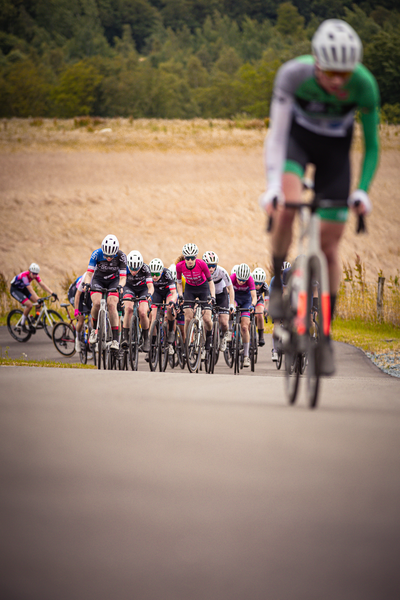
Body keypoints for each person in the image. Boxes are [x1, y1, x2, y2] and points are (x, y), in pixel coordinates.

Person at [259, 19, 380, 375]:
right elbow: (277, 135)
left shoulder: (365, 84)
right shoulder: (292, 76)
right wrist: (272, 186)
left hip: (335, 155)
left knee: (329, 247)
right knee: (286, 210)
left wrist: (361, 191)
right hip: (297, 144)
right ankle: (279, 288)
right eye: (330, 72)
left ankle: (324, 335)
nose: (338, 81)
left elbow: (371, 146)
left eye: (344, 72)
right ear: (315, 62)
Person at [84, 234, 127, 351]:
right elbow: (89, 274)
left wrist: (120, 286)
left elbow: (123, 278)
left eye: (111, 255)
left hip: (114, 281)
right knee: (97, 303)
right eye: (107, 255)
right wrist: (87, 284)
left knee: (112, 305)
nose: (109, 258)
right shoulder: (96, 254)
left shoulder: (122, 256)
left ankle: (114, 340)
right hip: (98, 280)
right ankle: (93, 330)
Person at [175, 243, 215, 354]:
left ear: (196, 257)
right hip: (190, 289)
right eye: (188, 258)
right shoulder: (179, 266)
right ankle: (188, 341)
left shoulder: (202, 264)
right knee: (187, 317)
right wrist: (180, 295)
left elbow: (210, 282)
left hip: (203, 288)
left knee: (207, 318)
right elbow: (178, 283)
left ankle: (209, 336)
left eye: (192, 258)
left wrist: (213, 296)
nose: (190, 260)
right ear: (185, 258)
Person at [120, 250, 154, 353]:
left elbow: (151, 286)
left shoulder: (145, 268)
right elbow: (120, 282)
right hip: (129, 288)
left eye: (136, 269)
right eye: (132, 269)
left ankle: (146, 339)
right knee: (129, 308)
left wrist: (149, 294)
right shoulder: (124, 267)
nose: (134, 272)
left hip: (143, 289)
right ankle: (125, 337)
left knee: (143, 312)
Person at [10, 263, 58, 332]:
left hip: (23, 288)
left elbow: (42, 284)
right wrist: (37, 298)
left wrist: (52, 293)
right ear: (29, 271)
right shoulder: (24, 276)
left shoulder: (35, 275)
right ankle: (22, 324)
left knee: (38, 303)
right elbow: (30, 290)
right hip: (15, 290)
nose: (35, 275)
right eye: (33, 274)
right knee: (29, 305)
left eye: (36, 274)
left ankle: (37, 319)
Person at [202, 250, 235, 352]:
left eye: (213, 265)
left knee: (224, 322)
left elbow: (231, 288)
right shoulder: (202, 272)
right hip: (208, 295)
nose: (211, 268)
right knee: (205, 320)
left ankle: (223, 337)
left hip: (221, 294)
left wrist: (231, 304)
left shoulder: (222, 271)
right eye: (208, 266)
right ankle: (203, 343)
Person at [230, 263, 257, 368]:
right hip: (235, 299)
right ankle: (229, 329)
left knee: (245, 327)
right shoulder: (232, 277)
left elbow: (254, 296)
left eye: (243, 281)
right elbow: (227, 291)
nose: (241, 282)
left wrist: (252, 305)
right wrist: (231, 304)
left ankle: (246, 356)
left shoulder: (250, 279)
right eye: (239, 280)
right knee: (229, 310)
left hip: (246, 301)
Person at [149, 258, 177, 344]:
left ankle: (171, 330)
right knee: (153, 318)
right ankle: (152, 344)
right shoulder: (148, 275)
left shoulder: (167, 273)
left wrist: (172, 301)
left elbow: (174, 292)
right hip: (156, 292)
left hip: (168, 291)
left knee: (169, 308)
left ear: (161, 272)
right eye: (152, 274)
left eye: (157, 274)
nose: (154, 277)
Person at [269, 261, 291, 362]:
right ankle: (275, 350)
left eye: (284, 273)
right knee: (276, 325)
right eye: (281, 273)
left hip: (288, 302)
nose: (282, 275)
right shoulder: (275, 280)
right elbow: (271, 295)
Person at [67, 273, 92, 352]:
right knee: (81, 320)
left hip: (88, 294)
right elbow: (77, 295)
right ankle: (77, 340)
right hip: (76, 293)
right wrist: (76, 310)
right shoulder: (84, 279)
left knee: (92, 318)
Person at [251, 267, 269, 347]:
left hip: (259, 301)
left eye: (260, 284)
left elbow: (267, 299)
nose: (258, 286)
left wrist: (266, 309)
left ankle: (261, 337)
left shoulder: (265, 286)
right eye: (256, 283)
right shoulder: (250, 282)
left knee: (259, 314)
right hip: (249, 300)